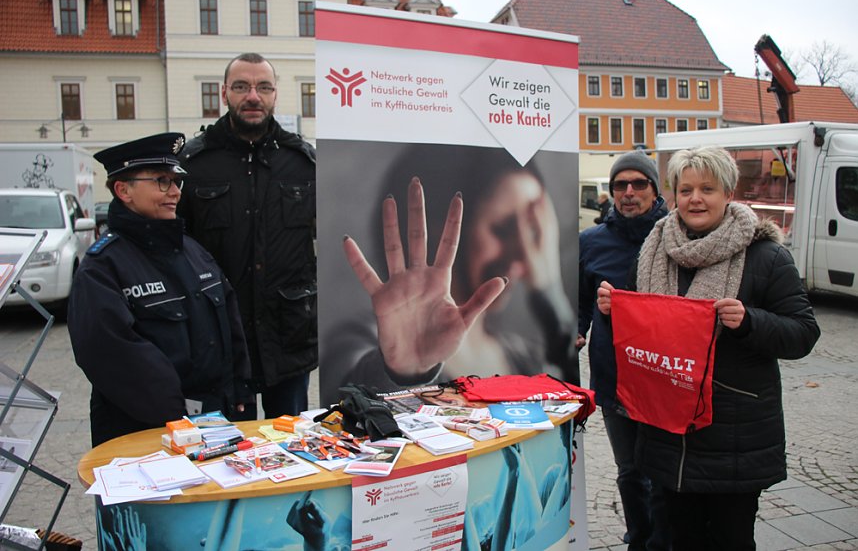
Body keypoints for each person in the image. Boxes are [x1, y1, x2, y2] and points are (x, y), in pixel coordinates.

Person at [597, 146, 820, 550]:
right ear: (674, 195)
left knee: (730, 540)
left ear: (728, 194)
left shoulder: (766, 257)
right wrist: (615, 311)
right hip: (667, 436)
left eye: (707, 189)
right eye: (686, 190)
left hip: (733, 437)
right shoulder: (653, 252)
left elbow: (803, 333)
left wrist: (750, 322)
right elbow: (641, 333)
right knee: (679, 539)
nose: (695, 199)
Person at [326, 146, 579, 403]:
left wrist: (552, 298)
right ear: (439, 228)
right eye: (502, 229)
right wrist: (399, 373)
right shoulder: (358, 341)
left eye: (534, 234)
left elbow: (571, 409)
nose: (523, 256)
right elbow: (342, 404)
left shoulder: (527, 359)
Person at [68, 132, 252, 447]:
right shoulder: (103, 267)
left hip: (213, 424)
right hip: (146, 435)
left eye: (176, 181)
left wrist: (240, 393)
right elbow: (114, 356)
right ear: (123, 190)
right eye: (161, 182)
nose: (175, 192)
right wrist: (180, 416)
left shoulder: (193, 250)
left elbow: (231, 327)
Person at [178, 52, 317, 419]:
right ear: (224, 92)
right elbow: (174, 249)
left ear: (275, 94)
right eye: (241, 87)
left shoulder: (304, 162)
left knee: (290, 443)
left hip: (288, 337)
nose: (253, 96)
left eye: (263, 87)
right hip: (220, 337)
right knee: (228, 447)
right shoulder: (194, 164)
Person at [577, 150, 670, 551]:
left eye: (638, 183)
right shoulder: (591, 242)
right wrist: (577, 330)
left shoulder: (676, 235)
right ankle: (639, 540)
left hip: (666, 376)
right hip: (614, 375)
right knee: (630, 471)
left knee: (665, 471)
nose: (629, 192)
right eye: (620, 185)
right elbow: (580, 301)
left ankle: (664, 541)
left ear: (654, 189)